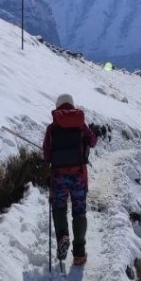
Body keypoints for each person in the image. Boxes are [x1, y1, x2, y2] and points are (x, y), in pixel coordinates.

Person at [43, 94, 98, 266]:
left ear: (58, 106)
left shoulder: (52, 127)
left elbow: (46, 155)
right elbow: (93, 142)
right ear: (72, 105)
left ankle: (63, 236)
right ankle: (79, 254)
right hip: (79, 176)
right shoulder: (81, 124)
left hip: (59, 177)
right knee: (79, 211)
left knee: (59, 207)